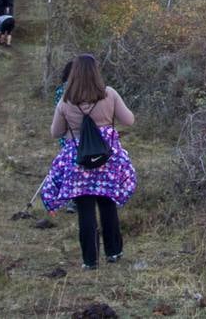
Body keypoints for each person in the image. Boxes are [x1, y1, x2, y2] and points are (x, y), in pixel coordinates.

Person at [45, 55, 137, 268]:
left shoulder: (66, 101)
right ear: (96, 72)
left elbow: (55, 132)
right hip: (107, 158)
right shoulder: (109, 94)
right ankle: (113, 251)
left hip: (79, 160)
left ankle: (90, 260)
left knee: (85, 209)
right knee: (107, 203)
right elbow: (129, 120)